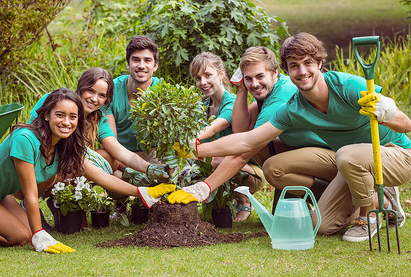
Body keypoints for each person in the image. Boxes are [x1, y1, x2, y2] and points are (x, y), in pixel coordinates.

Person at [168, 33, 411, 243]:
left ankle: (369, 212)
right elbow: (246, 141)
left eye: (308, 63)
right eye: (294, 65)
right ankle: (383, 199)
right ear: (286, 70)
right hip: (348, 164)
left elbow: (406, 124)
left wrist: (387, 113)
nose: (302, 71)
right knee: (322, 225)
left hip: (395, 154)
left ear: (319, 63)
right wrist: (196, 152)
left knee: (347, 155)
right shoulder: (294, 107)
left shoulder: (348, 86)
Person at [0, 89, 174, 253]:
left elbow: (101, 176)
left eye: (73, 117)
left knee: (24, 230)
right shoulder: (25, 139)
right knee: (20, 236)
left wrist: (142, 192)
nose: (66, 122)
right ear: (46, 115)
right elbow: (30, 195)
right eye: (60, 115)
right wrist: (39, 235)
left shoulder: (65, 146)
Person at [230, 46, 335, 212]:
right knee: (261, 145)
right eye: (248, 78)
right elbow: (241, 129)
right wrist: (241, 89)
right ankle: (296, 196)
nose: (255, 84)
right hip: (310, 153)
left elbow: (245, 146)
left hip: (332, 157)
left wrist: (206, 186)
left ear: (275, 73)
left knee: (271, 165)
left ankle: (329, 197)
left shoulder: (280, 95)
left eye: (260, 76)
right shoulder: (270, 91)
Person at [189, 52, 265, 222]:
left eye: (208, 75)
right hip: (219, 166)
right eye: (198, 78)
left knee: (215, 160)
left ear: (221, 74)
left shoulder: (231, 103)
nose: (203, 82)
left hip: (250, 171)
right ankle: (222, 203)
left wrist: (187, 144)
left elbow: (212, 129)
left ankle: (245, 202)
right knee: (196, 167)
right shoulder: (202, 105)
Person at [102, 35, 162, 165]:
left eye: (147, 60)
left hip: (153, 152)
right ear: (128, 64)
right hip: (119, 154)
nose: (141, 66)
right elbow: (111, 142)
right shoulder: (111, 91)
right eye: (136, 60)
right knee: (104, 158)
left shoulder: (163, 92)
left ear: (155, 66)